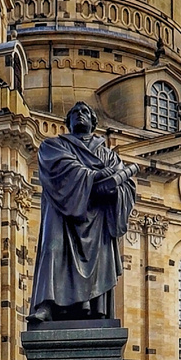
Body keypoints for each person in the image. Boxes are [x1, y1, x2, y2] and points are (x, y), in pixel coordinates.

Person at [27, 101, 138, 324]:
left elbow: (126, 187)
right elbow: (62, 169)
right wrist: (97, 176)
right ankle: (47, 305)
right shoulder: (54, 145)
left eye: (85, 112)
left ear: (94, 122)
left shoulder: (109, 154)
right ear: (67, 122)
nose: (80, 115)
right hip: (62, 213)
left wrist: (115, 188)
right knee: (52, 249)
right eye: (75, 113)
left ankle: (95, 308)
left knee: (98, 259)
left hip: (97, 217)